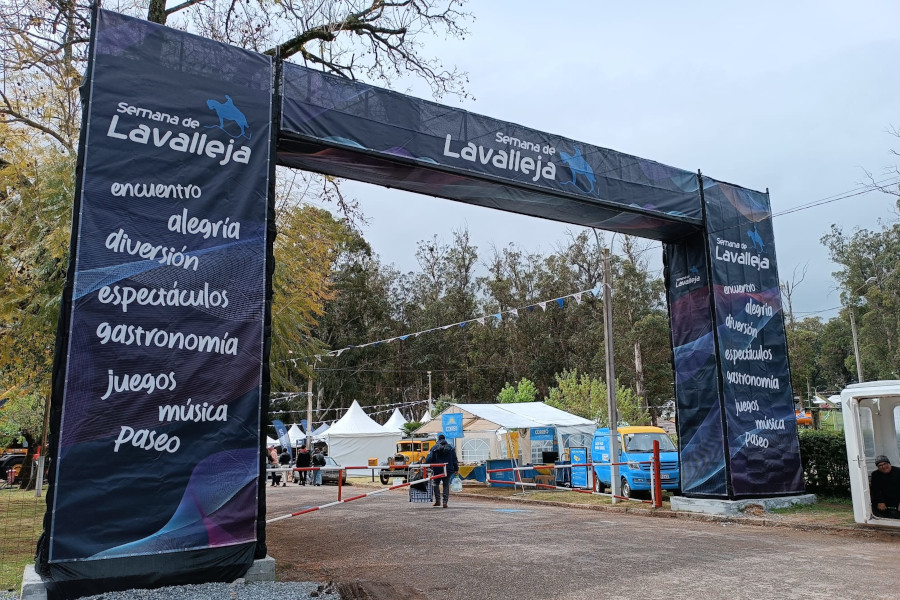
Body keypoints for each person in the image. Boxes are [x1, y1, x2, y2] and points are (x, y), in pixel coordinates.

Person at [425, 434, 459, 508]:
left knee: (435, 483)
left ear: (438, 439)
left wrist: (425, 465)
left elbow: (429, 458)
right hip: (448, 469)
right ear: (444, 439)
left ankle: (437, 501)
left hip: (437, 469)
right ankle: (445, 502)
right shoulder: (451, 448)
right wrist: (456, 469)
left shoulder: (434, 448)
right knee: (446, 485)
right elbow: (454, 460)